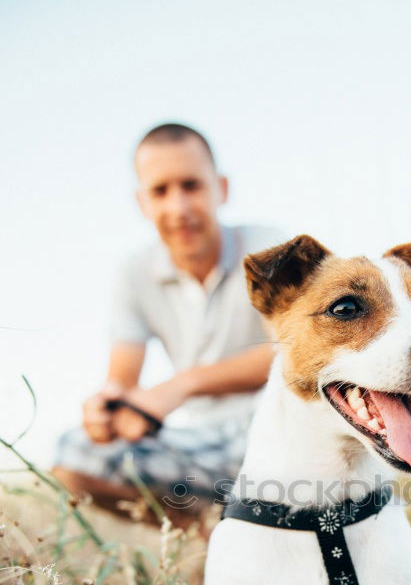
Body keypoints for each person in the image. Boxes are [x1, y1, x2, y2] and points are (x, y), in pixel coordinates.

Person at [52, 122, 279, 525]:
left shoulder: (269, 249)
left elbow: (294, 351)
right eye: (160, 191)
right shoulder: (133, 272)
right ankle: (201, 534)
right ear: (142, 202)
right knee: (73, 455)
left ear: (221, 188)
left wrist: (182, 384)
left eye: (191, 185)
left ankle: (238, 526)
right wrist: (105, 409)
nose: (178, 208)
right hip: (196, 444)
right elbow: (121, 379)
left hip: (274, 431)